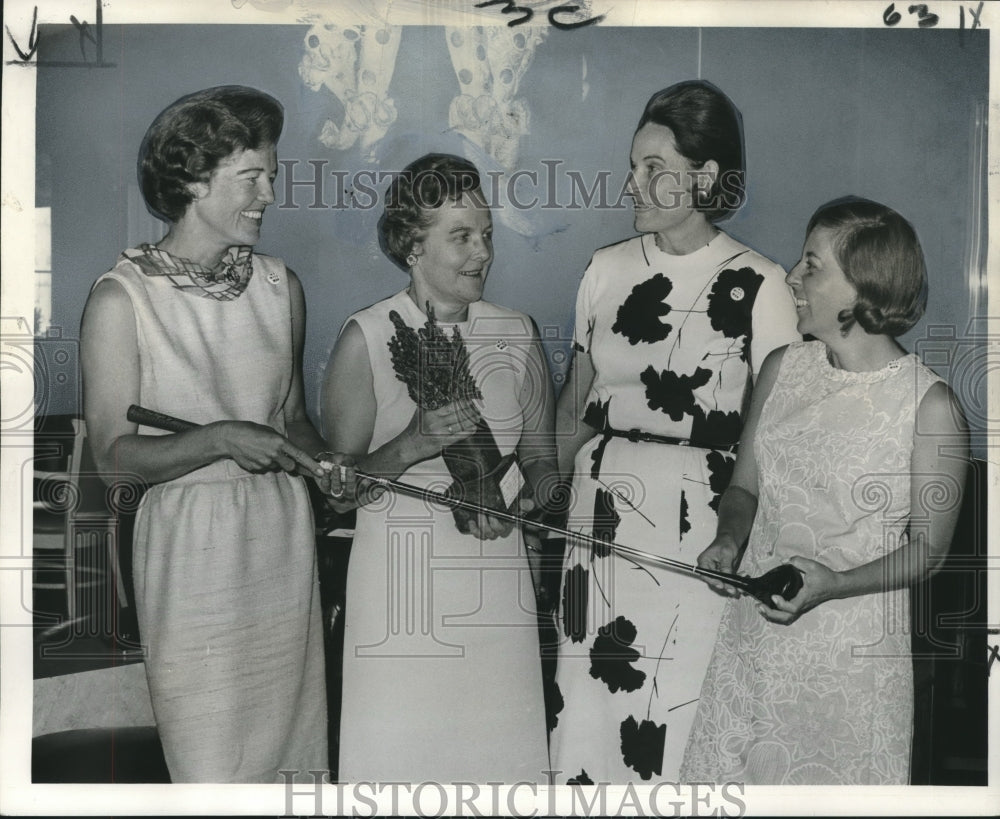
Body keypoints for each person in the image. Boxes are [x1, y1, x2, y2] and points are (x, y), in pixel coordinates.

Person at [80, 86, 340, 783]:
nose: (269, 194)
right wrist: (220, 439)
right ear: (193, 179)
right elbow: (112, 459)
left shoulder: (282, 286)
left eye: (272, 176)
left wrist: (325, 465)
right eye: (251, 177)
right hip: (189, 553)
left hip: (280, 545)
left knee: (292, 768)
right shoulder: (121, 298)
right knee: (210, 768)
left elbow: (293, 422)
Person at [547, 80, 800, 783]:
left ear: (705, 176)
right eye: (635, 164)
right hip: (595, 522)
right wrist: (530, 491)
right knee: (591, 717)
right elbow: (575, 405)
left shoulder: (761, 284)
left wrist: (737, 534)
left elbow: (772, 434)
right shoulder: (604, 270)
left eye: (654, 167)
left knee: (675, 712)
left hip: (699, 528)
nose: (635, 181)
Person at [680, 197, 969, 785]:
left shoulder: (929, 406)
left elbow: (928, 551)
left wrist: (833, 585)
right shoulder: (784, 367)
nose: (792, 276)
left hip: (850, 660)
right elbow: (744, 487)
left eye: (812, 265)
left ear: (863, 289)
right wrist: (728, 542)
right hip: (753, 641)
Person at [321, 153, 555, 783]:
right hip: (401, 590)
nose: (481, 252)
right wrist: (411, 444)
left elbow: (538, 455)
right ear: (410, 245)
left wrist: (537, 498)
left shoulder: (518, 331)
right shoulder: (365, 337)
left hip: (497, 582)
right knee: (403, 765)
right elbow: (337, 496)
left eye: (486, 235)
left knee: (497, 764)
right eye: (461, 237)